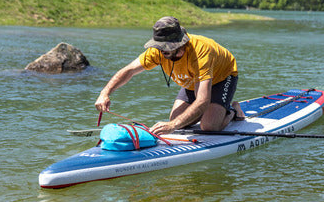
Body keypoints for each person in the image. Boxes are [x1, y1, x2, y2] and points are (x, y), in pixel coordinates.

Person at [95, 16, 244, 136]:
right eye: (159, 47)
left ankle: (231, 111)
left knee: (209, 126)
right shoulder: (157, 51)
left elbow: (202, 100)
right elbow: (129, 70)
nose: (161, 51)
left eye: (166, 48)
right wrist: (105, 93)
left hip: (222, 76)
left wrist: (173, 126)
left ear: (179, 44)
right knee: (177, 119)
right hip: (192, 80)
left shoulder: (201, 53)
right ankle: (214, 109)